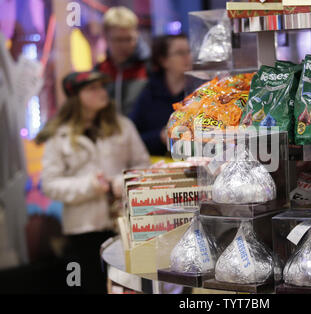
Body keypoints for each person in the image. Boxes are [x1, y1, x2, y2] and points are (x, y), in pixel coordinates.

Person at [36, 70, 150, 294]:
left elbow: (143, 166)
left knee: (127, 286)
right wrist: (90, 186)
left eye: (101, 86)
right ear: (76, 96)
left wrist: (122, 182)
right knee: (87, 284)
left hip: (124, 224)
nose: (101, 92)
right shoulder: (59, 135)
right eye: (92, 88)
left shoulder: (122, 125)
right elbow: (49, 184)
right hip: (82, 228)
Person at [129, 34, 193, 156]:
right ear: (163, 61)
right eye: (180, 53)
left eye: (188, 51)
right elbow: (133, 138)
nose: (187, 57)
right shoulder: (149, 93)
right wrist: (160, 136)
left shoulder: (201, 90)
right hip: (158, 163)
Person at [95, 6, 149, 116]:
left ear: (137, 35)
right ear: (106, 37)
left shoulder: (150, 68)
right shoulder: (99, 71)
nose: (124, 46)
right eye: (118, 40)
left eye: (129, 39)